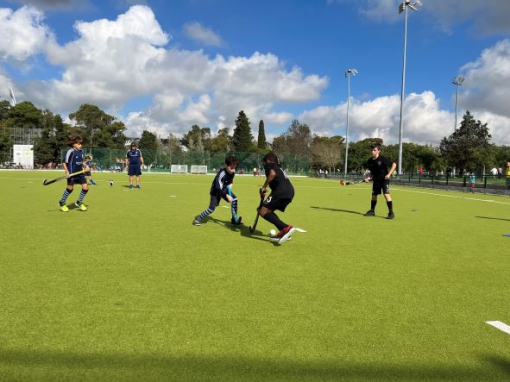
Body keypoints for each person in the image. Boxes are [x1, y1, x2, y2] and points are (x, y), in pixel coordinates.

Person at [193, 156, 242, 226]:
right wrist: (226, 196)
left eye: (235, 168)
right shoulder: (221, 174)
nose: (233, 170)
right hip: (216, 191)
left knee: (235, 199)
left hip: (224, 190)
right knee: (211, 209)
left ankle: (234, 220)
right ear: (226, 165)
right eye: (231, 168)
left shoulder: (232, 173)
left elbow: (230, 182)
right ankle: (198, 219)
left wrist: (230, 186)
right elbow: (218, 188)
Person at [258, 152, 295, 245]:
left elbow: (272, 174)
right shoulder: (278, 167)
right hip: (289, 192)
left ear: (269, 160)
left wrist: (264, 187)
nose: (264, 164)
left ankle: (286, 228)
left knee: (262, 211)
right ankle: (284, 232)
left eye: (265, 162)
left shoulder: (270, 165)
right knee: (267, 211)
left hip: (280, 192)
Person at [364, 142, 397, 219]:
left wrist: (389, 174)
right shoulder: (369, 161)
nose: (372, 151)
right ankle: (372, 211)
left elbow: (394, 164)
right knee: (374, 195)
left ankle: (391, 212)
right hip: (376, 180)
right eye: (372, 150)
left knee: (386, 194)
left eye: (374, 150)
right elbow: (372, 172)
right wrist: (369, 178)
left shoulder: (383, 159)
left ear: (378, 151)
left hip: (384, 180)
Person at [58, 135, 90, 212]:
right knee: (70, 189)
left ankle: (79, 202)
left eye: (81, 144)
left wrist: (86, 166)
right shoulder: (70, 151)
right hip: (72, 174)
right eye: (79, 144)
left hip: (80, 173)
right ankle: (62, 202)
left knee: (86, 188)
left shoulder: (82, 152)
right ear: (74, 144)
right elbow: (64, 162)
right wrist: (67, 171)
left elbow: (81, 162)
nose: (80, 145)